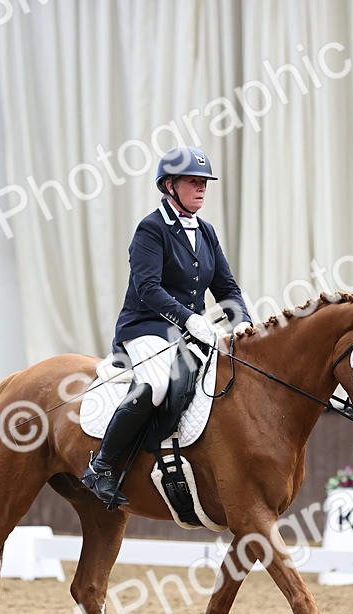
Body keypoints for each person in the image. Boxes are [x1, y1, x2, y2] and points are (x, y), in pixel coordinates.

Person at [81, 145, 253, 507]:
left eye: (204, 182)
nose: (201, 188)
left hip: (190, 333)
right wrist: (188, 318)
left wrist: (243, 324)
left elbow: (226, 288)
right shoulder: (151, 229)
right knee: (158, 384)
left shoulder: (205, 232)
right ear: (169, 185)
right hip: (146, 328)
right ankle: (101, 465)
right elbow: (148, 287)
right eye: (192, 181)